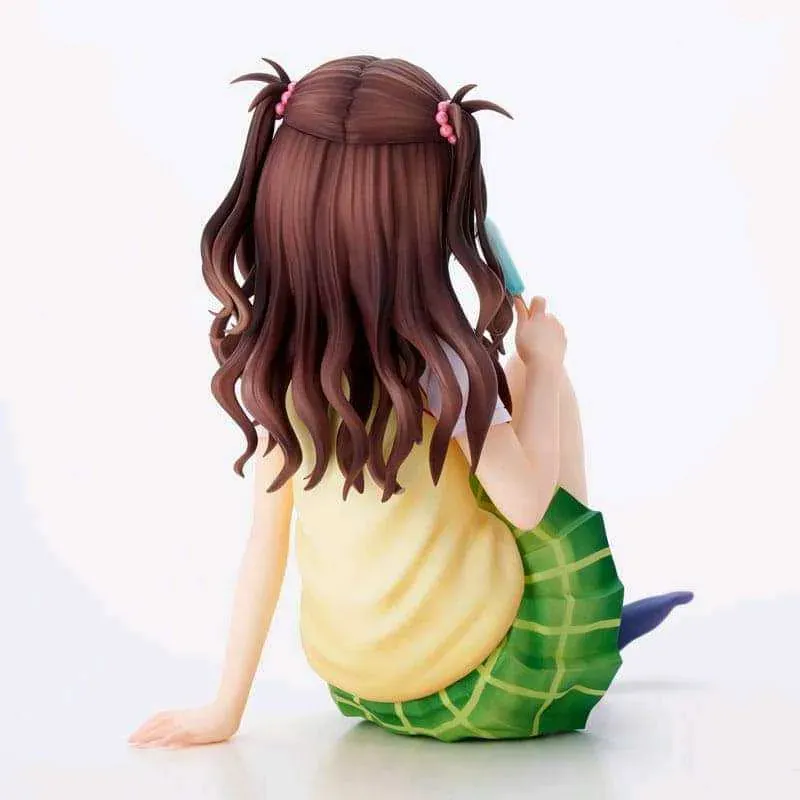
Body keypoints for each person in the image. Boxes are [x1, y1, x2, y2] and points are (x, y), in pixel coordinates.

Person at [128, 55, 693, 748]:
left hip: (363, 685)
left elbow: (264, 548)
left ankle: (549, 618)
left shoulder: (277, 369)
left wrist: (224, 710)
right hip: (493, 681)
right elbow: (525, 504)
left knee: (469, 439)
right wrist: (544, 367)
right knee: (527, 381)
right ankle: (581, 623)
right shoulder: (440, 364)